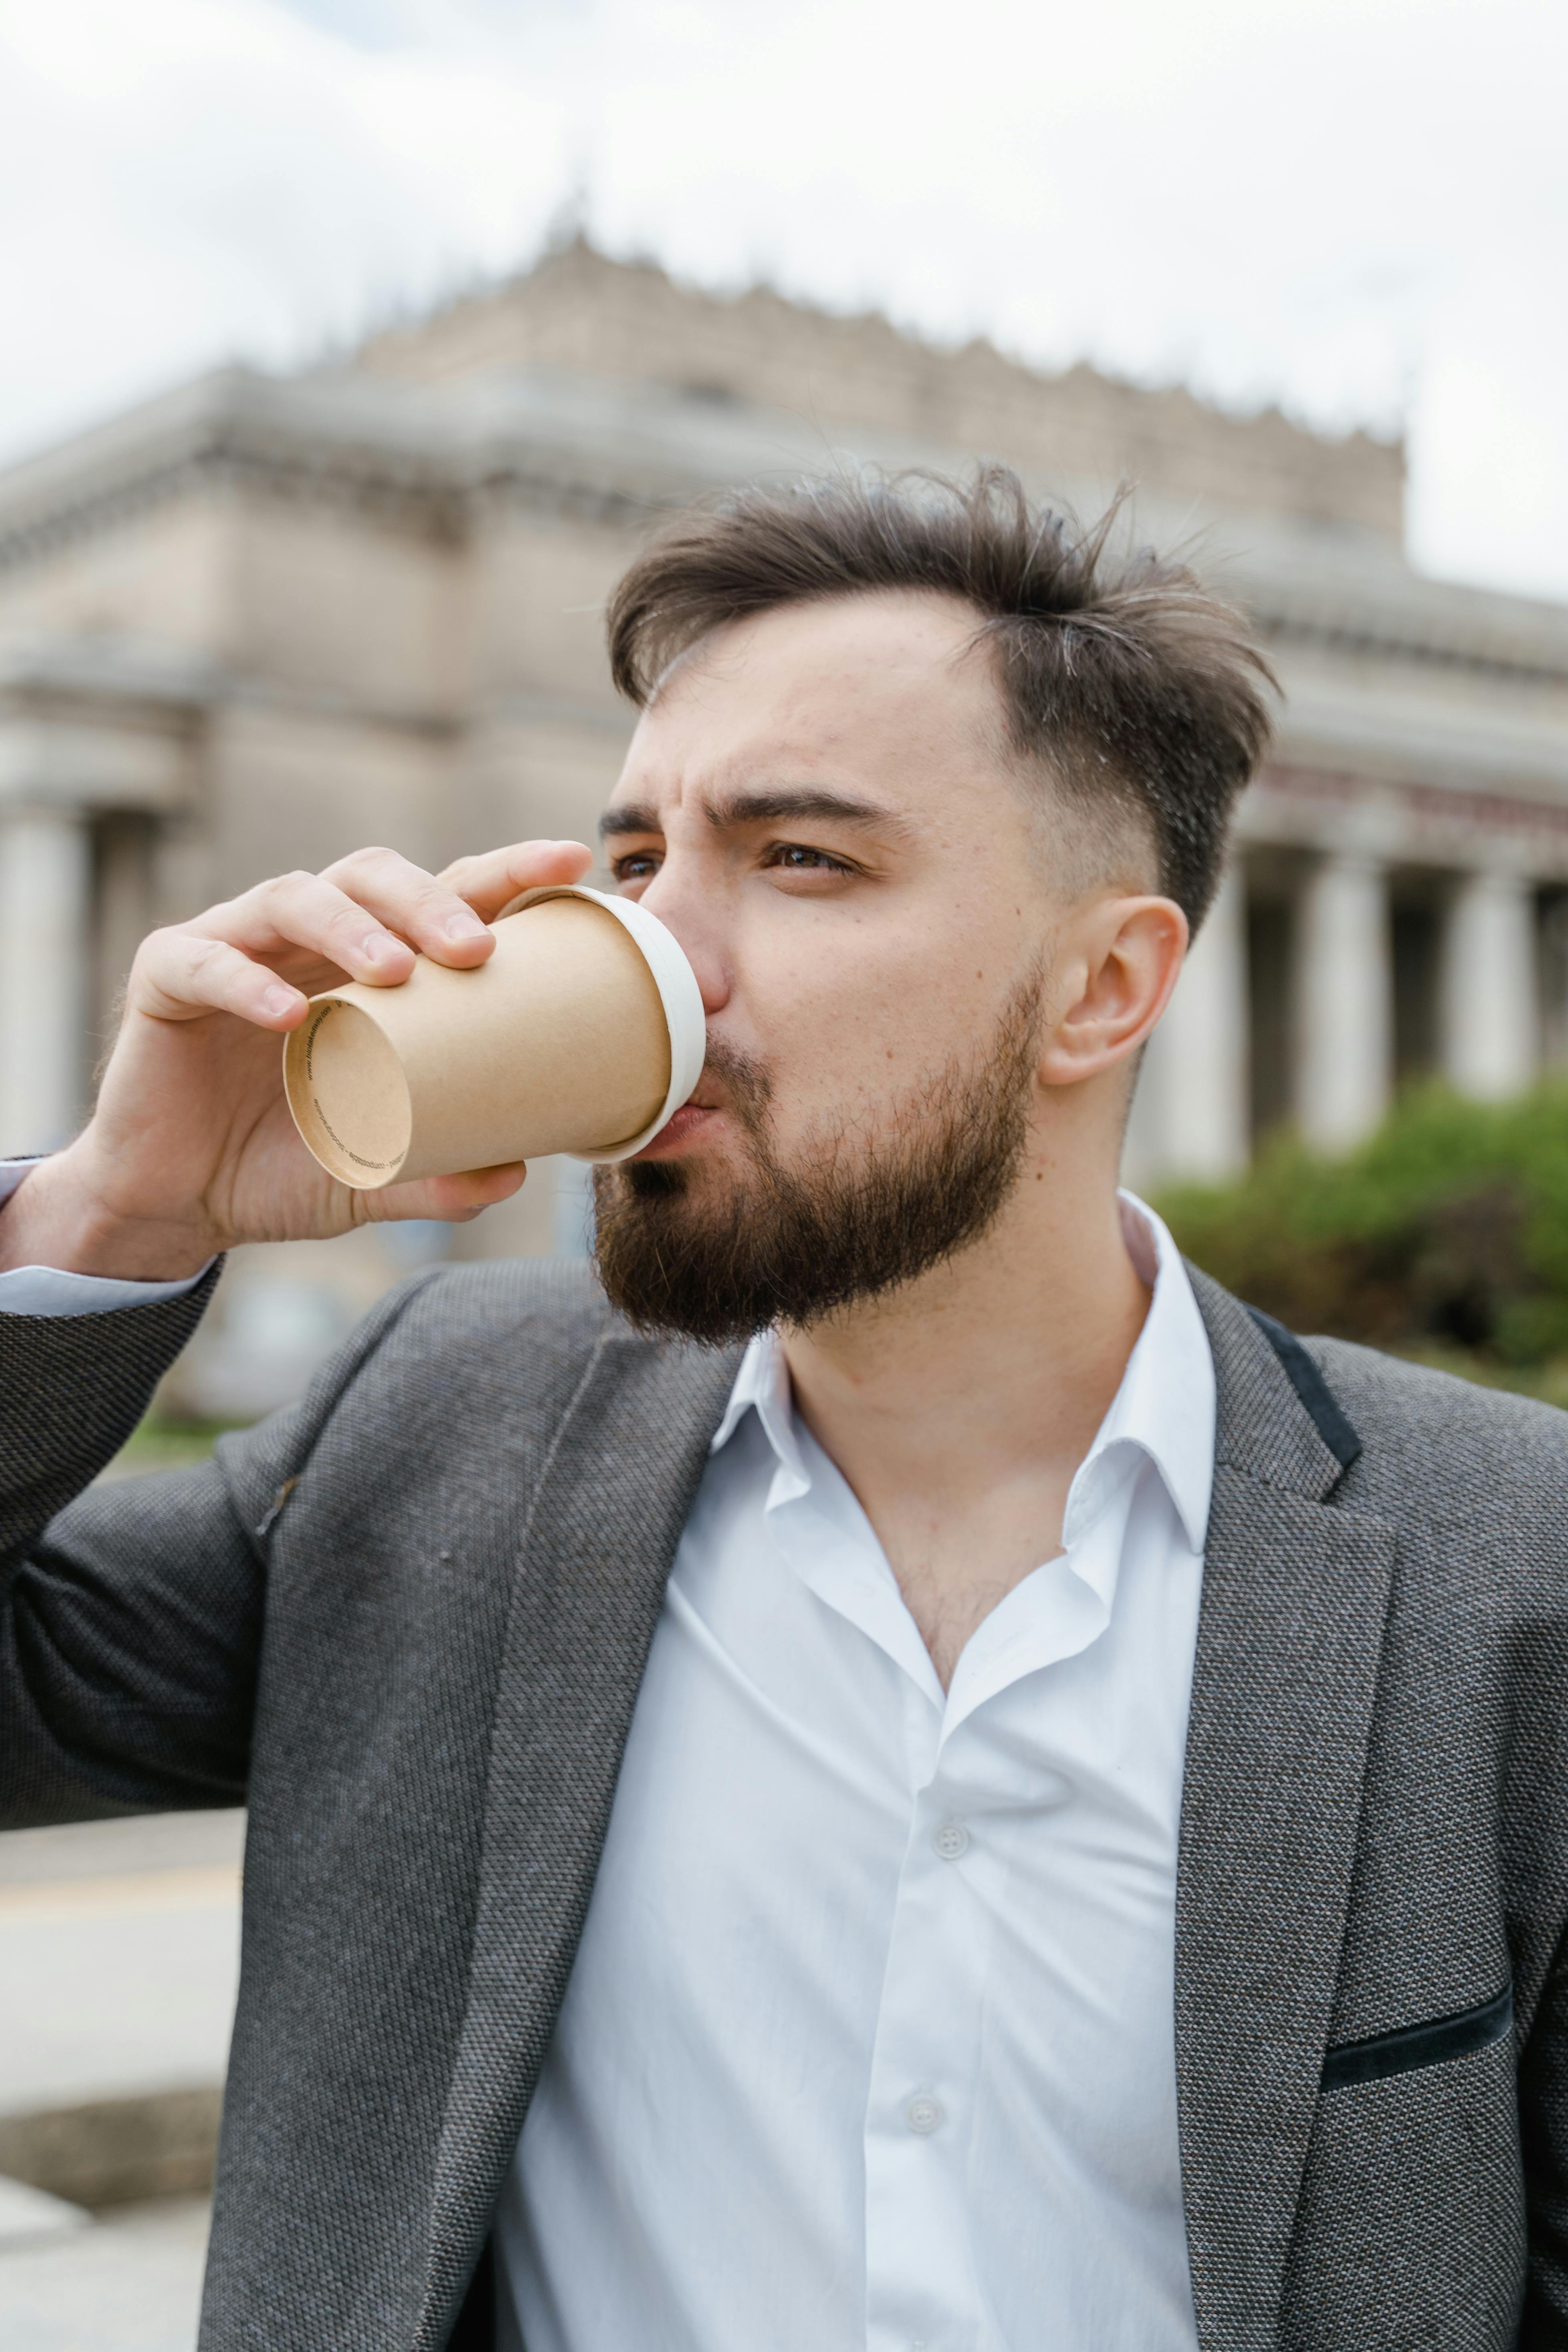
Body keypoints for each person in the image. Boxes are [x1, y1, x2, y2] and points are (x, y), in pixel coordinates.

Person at [0, 466, 1562, 2352]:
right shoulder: (434, 1439)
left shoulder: (1509, 1572)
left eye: (802, 858)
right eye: (638, 859)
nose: (665, 953)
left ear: (1102, 985)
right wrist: (102, 1216)